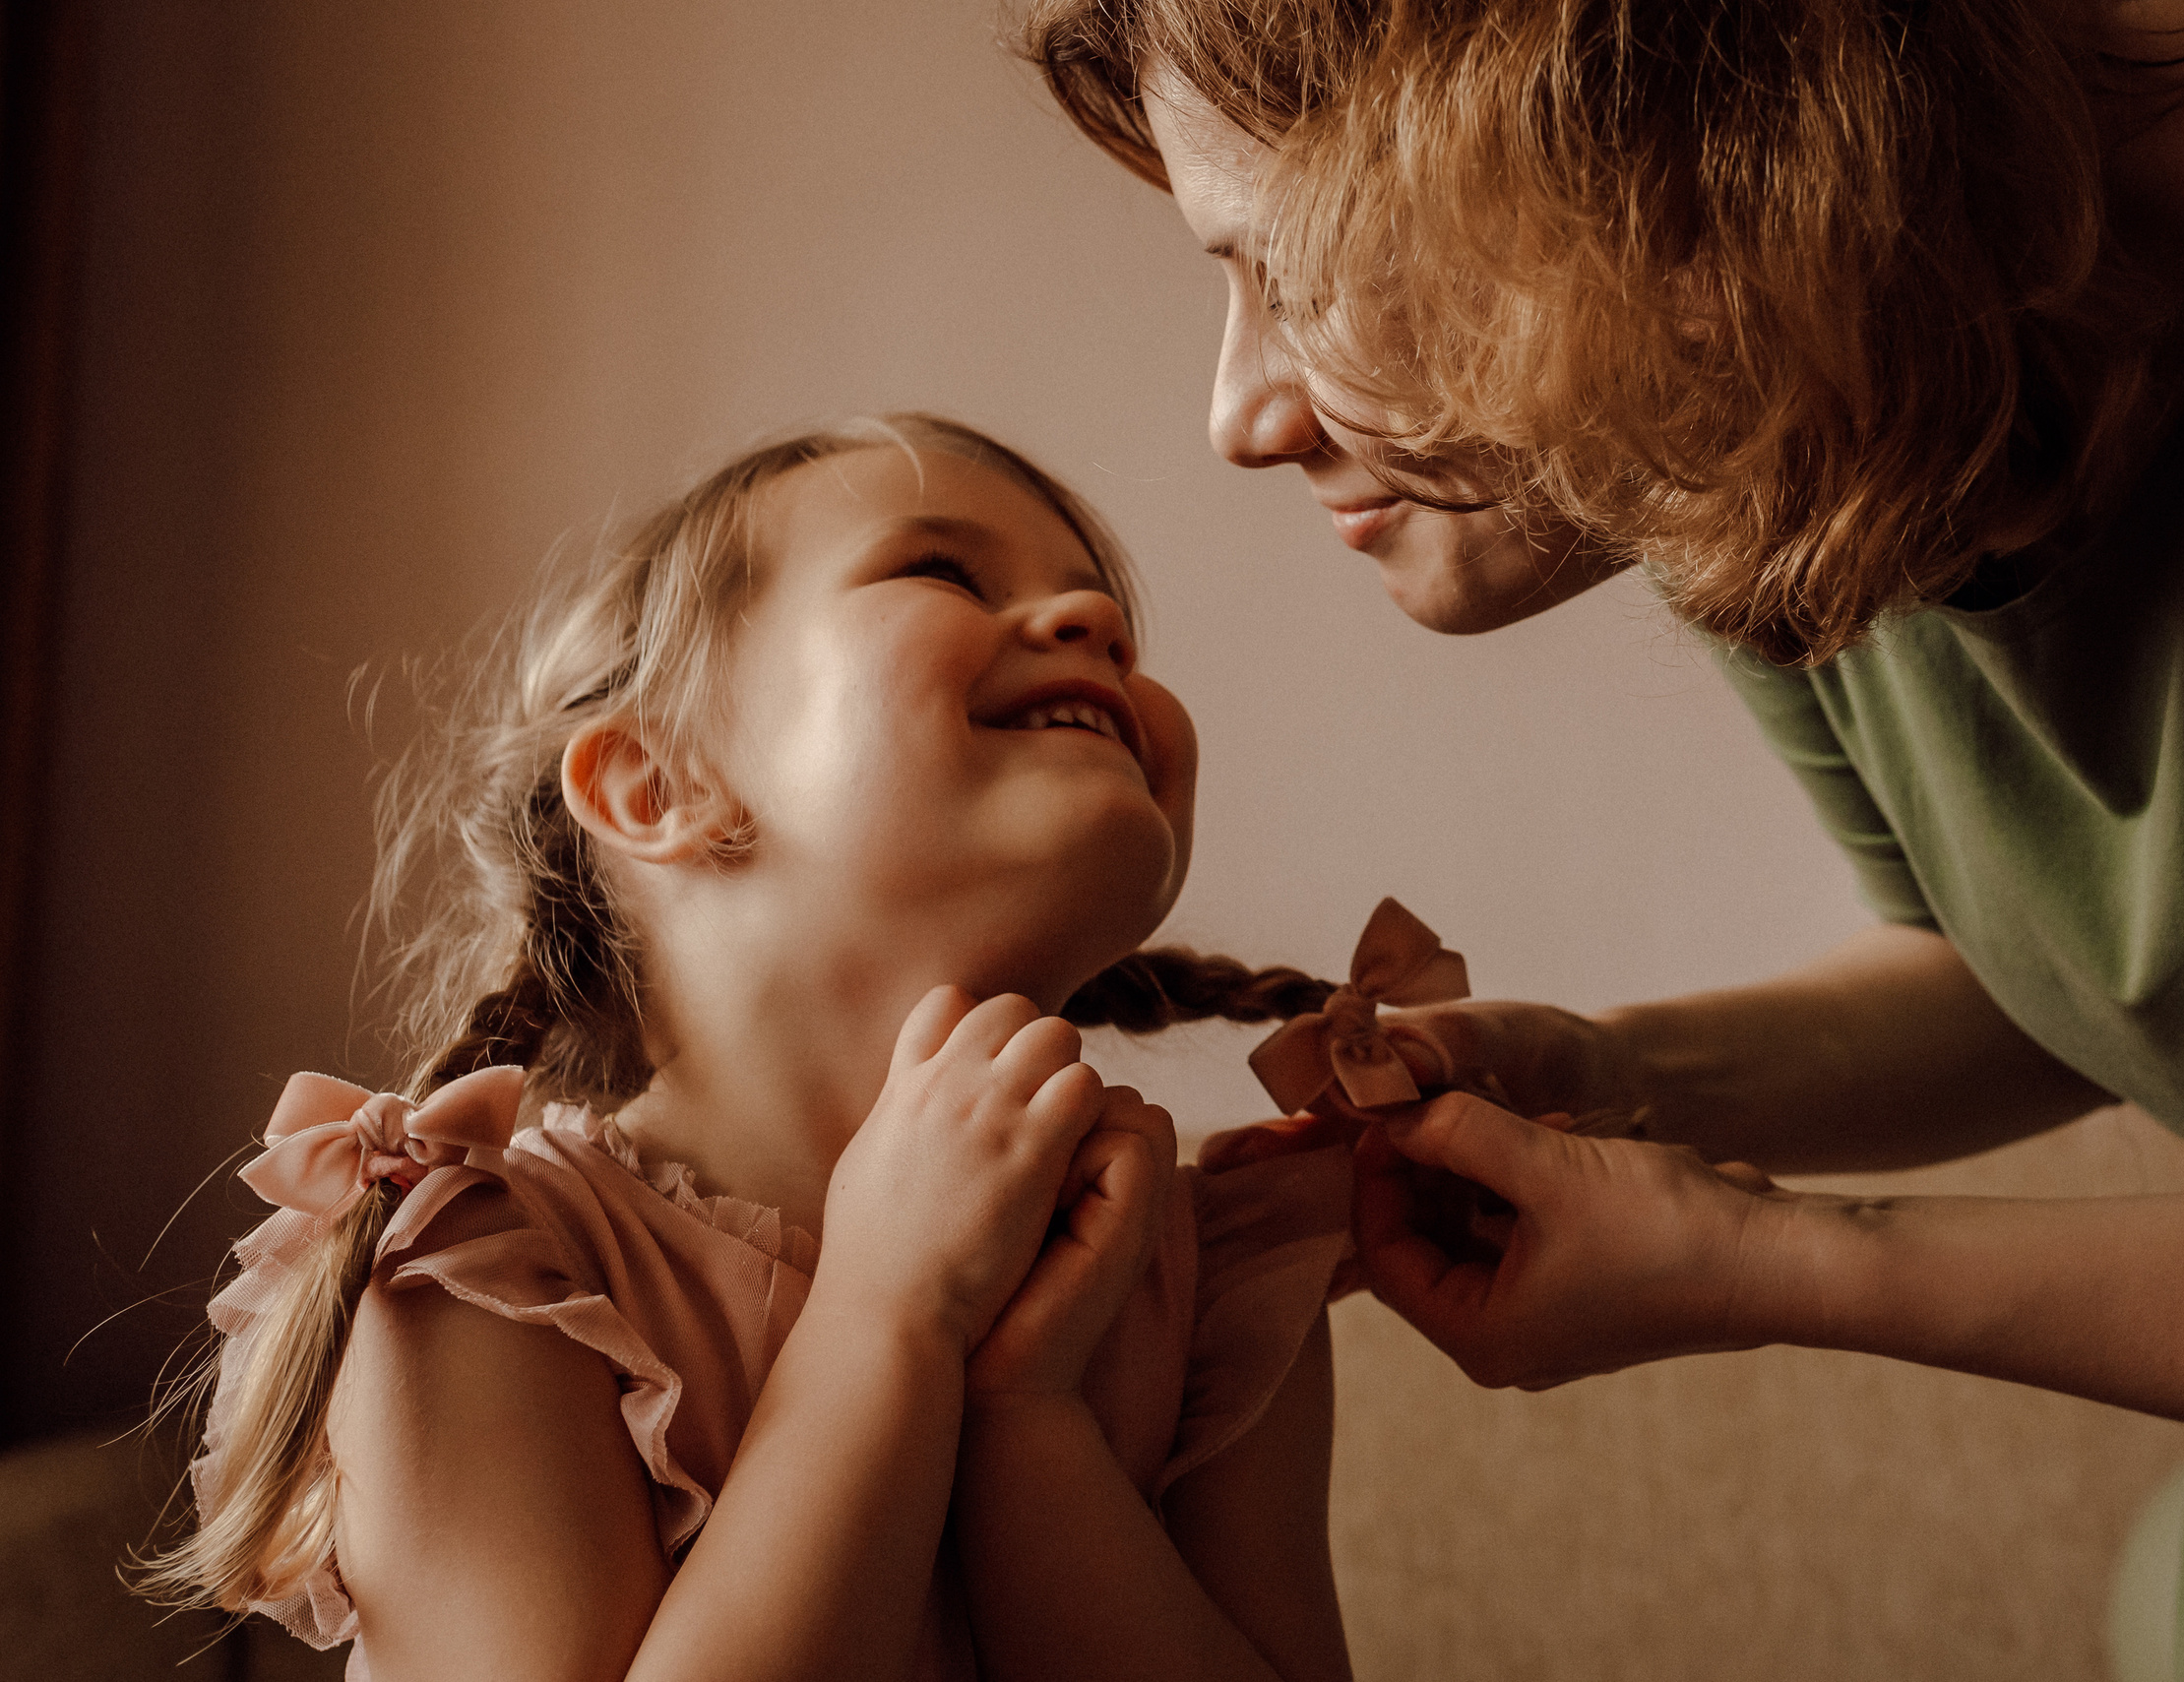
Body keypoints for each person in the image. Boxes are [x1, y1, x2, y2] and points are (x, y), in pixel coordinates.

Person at [1022, 0, 2184, 1674]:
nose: (1237, 412)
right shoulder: (1750, 381)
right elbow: (2033, 960)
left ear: (1614, 125)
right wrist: (1607, 1076)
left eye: (1291, 270)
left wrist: (1768, 1264)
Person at [139, 414, 1364, 1682]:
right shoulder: (481, 1270)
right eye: (942, 570)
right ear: (657, 788)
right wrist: (895, 1311)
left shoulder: (1206, 1277)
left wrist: (1030, 1419)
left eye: (1111, 618)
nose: (1094, 621)